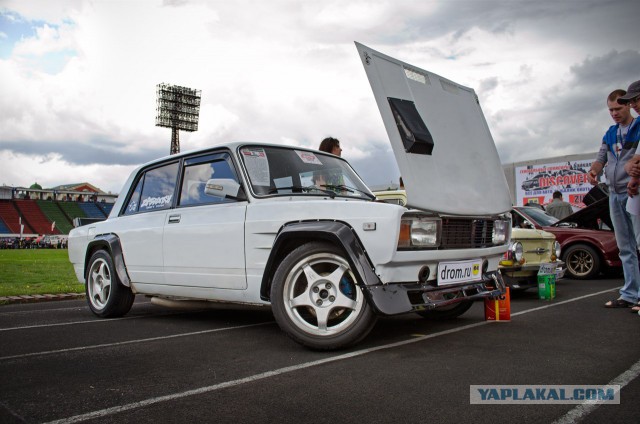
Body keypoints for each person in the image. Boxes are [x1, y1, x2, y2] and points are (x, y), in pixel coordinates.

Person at [587, 89, 640, 309]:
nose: (614, 113)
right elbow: (601, 158)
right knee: (625, 247)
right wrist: (593, 171)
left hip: (635, 191)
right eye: (610, 110)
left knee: (639, 243)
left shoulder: (638, 127)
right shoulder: (610, 133)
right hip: (615, 193)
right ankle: (629, 294)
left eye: (618, 108)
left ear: (628, 105)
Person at [618, 80, 640, 315]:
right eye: (631, 101)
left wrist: (633, 169)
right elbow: (631, 159)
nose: (633, 104)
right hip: (631, 191)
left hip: (632, 191)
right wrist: (633, 170)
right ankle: (631, 293)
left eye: (636, 99)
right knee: (631, 246)